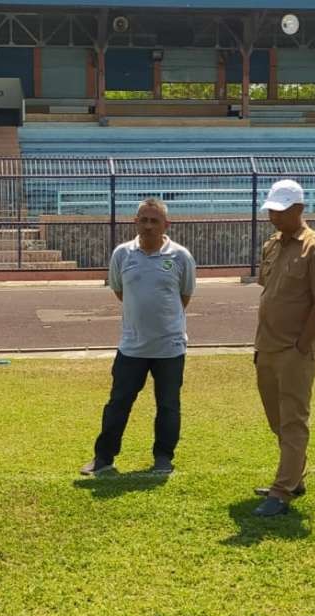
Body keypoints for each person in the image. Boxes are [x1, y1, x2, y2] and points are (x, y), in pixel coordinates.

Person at [81, 197, 196, 477]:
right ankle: (103, 458)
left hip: (169, 347)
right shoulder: (122, 254)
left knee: (168, 405)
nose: (148, 225)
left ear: (166, 224)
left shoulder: (181, 256)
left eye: (154, 220)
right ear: (135, 222)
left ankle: (163, 457)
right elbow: (120, 291)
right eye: (143, 219)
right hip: (132, 347)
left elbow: (184, 296)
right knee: (118, 403)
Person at [251, 180, 315, 517]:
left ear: (299, 209)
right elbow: (271, 293)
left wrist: (303, 343)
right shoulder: (272, 245)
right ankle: (295, 475)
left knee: (293, 421)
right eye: (271, 209)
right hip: (267, 346)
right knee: (276, 418)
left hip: (293, 351)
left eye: (281, 210)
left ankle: (282, 490)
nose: (274, 216)